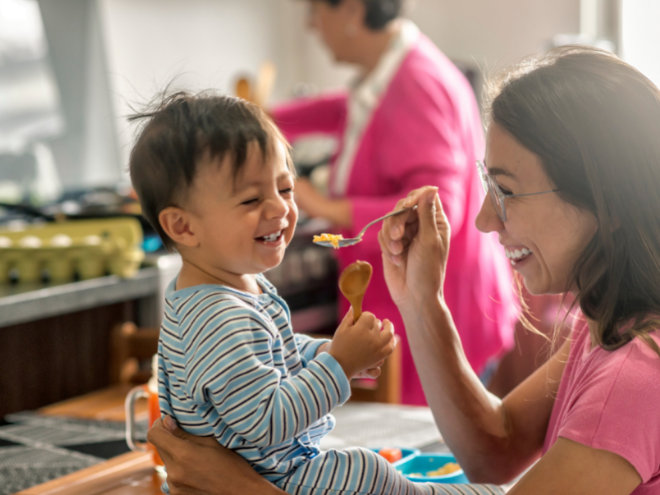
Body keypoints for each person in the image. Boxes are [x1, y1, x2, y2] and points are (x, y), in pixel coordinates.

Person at [148, 46, 660, 494]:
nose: (483, 218)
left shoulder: (635, 374)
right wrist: (420, 298)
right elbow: (494, 450)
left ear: (608, 205)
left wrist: (241, 490)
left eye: (506, 190)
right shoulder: (606, 329)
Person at [129, 93, 502, 495]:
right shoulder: (218, 315)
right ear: (183, 227)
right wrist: (339, 364)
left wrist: (326, 354)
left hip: (267, 477)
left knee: (368, 471)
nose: (280, 209)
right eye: (252, 199)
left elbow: (273, 356)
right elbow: (266, 423)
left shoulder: (230, 287)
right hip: (267, 480)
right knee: (365, 472)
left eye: (286, 189)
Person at [271, 0, 517, 404]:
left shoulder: (416, 83)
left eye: (316, 10)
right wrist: (258, 118)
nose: (312, 25)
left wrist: (323, 206)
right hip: (433, 307)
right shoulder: (392, 71)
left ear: (351, 10)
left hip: (445, 308)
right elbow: (344, 111)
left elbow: (438, 211)